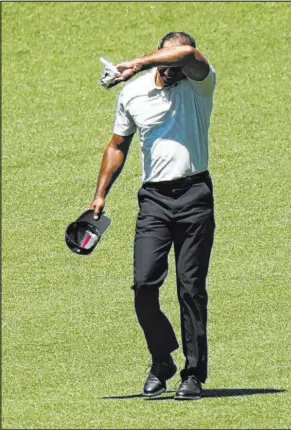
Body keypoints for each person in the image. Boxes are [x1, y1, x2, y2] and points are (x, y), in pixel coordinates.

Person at [90, 32, 216, 400]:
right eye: (170, 61)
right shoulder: (134, 94)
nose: (178, 67)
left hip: (195, 194)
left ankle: (193, 373)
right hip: (154, 201)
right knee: (144, 287)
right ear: (160, 57)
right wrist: (99, 196)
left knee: (190, 289)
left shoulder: (199, 84)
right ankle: (162, 360)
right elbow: (117, 145)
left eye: (180, 62)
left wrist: (138, 63)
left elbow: (190, 53)